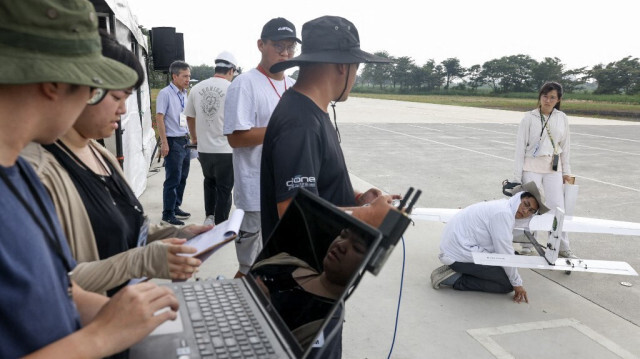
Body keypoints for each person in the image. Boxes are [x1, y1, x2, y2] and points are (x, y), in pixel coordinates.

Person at [0, 1, 178, 357]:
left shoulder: (18, 173)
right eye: (94, 86)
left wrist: (135, 322)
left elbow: (63, 289)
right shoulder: (33, 169)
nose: (89, 99)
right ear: (54, 81)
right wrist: (102, 336)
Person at [21, 31, 209, 295]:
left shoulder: (100, 154)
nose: (122, 110)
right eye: (117, 98)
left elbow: (125, 228)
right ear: (86, 90)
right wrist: (139, 261)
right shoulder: (35, 171)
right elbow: (49, 287)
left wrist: (175, 236)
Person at [260, 15, 397, 238]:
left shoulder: (310, 110)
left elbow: (315, 183)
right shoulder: (300, 123)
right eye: (356, 67)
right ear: (343, 66)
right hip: (303, 270)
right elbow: (294, 213)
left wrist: (355, 199)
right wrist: (368, 216)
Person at [223, 17, 300, 277]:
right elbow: (236, 138)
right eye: (279, 46)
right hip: (255, 190)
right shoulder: (244, 84)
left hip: (287, 188)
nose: (286, 53)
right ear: (261, 45)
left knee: (276, 261)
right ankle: (230, 311)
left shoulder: (294, 86)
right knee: (250, 266)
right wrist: (282, 129)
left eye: (291, 47)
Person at [251, 228, 368, 354]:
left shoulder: (324, 328)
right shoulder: (288, 260)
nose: (341, 245)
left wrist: (264, 317)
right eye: (343, 235)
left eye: (357, 248)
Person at [430, 182, 550, 304]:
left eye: (531, 211)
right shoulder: (503, 214)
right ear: (520, 198)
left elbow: (503, 247)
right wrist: (517, 284)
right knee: (507, 284)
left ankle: (460, 268)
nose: (525, 211)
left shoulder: (504, 206)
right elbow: (505, 254)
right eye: (526, 204)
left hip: (458, 248)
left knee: (508, 266)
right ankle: (453, 279)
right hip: (458, 253)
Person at [512, 82, 576, 258]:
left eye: (552, 97)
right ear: (540, 97)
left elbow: (566, 147)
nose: (548, 100)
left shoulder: (562, 118)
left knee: (558, 208)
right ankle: (526, 245)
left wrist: (566, 173)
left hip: (553, 168)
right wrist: (517, 178)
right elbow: (519, 149)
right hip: (531, 166)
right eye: (545, 96)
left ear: (558, 99)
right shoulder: (529, 118)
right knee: (529, 206)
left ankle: (562, 247)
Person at [186, 51, 238, 226]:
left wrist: (194, 137)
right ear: (231, 70)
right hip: (226, 149)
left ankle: (209, 217)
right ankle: (221, 224)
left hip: (204, 148)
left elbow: (189, 116)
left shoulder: (197, 88)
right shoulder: (233, 89)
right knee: (224, 188)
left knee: (209, 182)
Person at [157, 60, 192, 225]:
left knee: (183, 177)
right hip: (172, 140)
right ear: (174, 76)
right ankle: (168, 212)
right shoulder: (165, 94)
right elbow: (159, 117)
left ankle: (176, 206)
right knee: (173, 178)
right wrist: (164, 142)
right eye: (184, 76)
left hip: (184, 139)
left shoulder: (185, 93)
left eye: (189, 76)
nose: (188, 79)